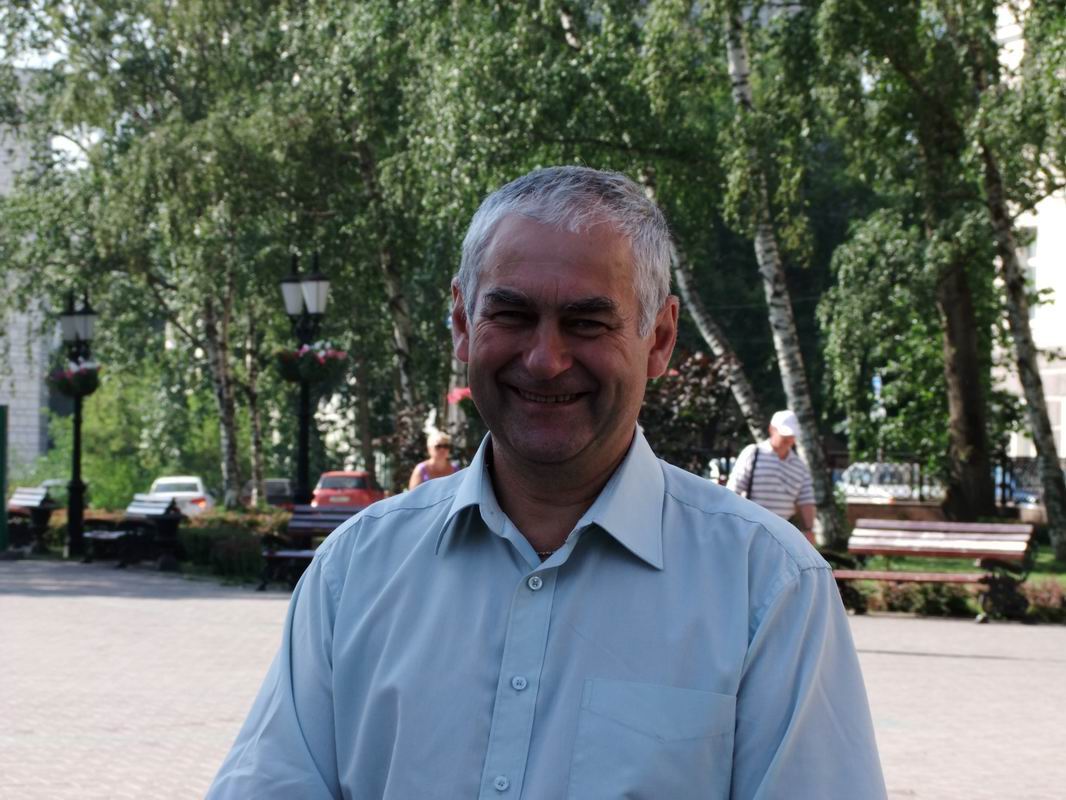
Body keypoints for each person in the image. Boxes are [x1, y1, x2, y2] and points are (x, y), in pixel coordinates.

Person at [207, 167, 886, 799]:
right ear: (462, 324)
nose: (544, 358)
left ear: (659, 338)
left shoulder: (766, 587)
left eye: (586, 322)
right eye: (512, 315)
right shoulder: (355, 573)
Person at [726, 409, 818, 545]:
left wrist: (809, 530)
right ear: (772, 429)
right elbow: (733, 490)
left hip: (782, 535)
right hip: (749, 529)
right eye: (785, 434)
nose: (789, 439)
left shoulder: (799, 466)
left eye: (792, 435)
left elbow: (806, 501)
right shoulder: (753, 453)